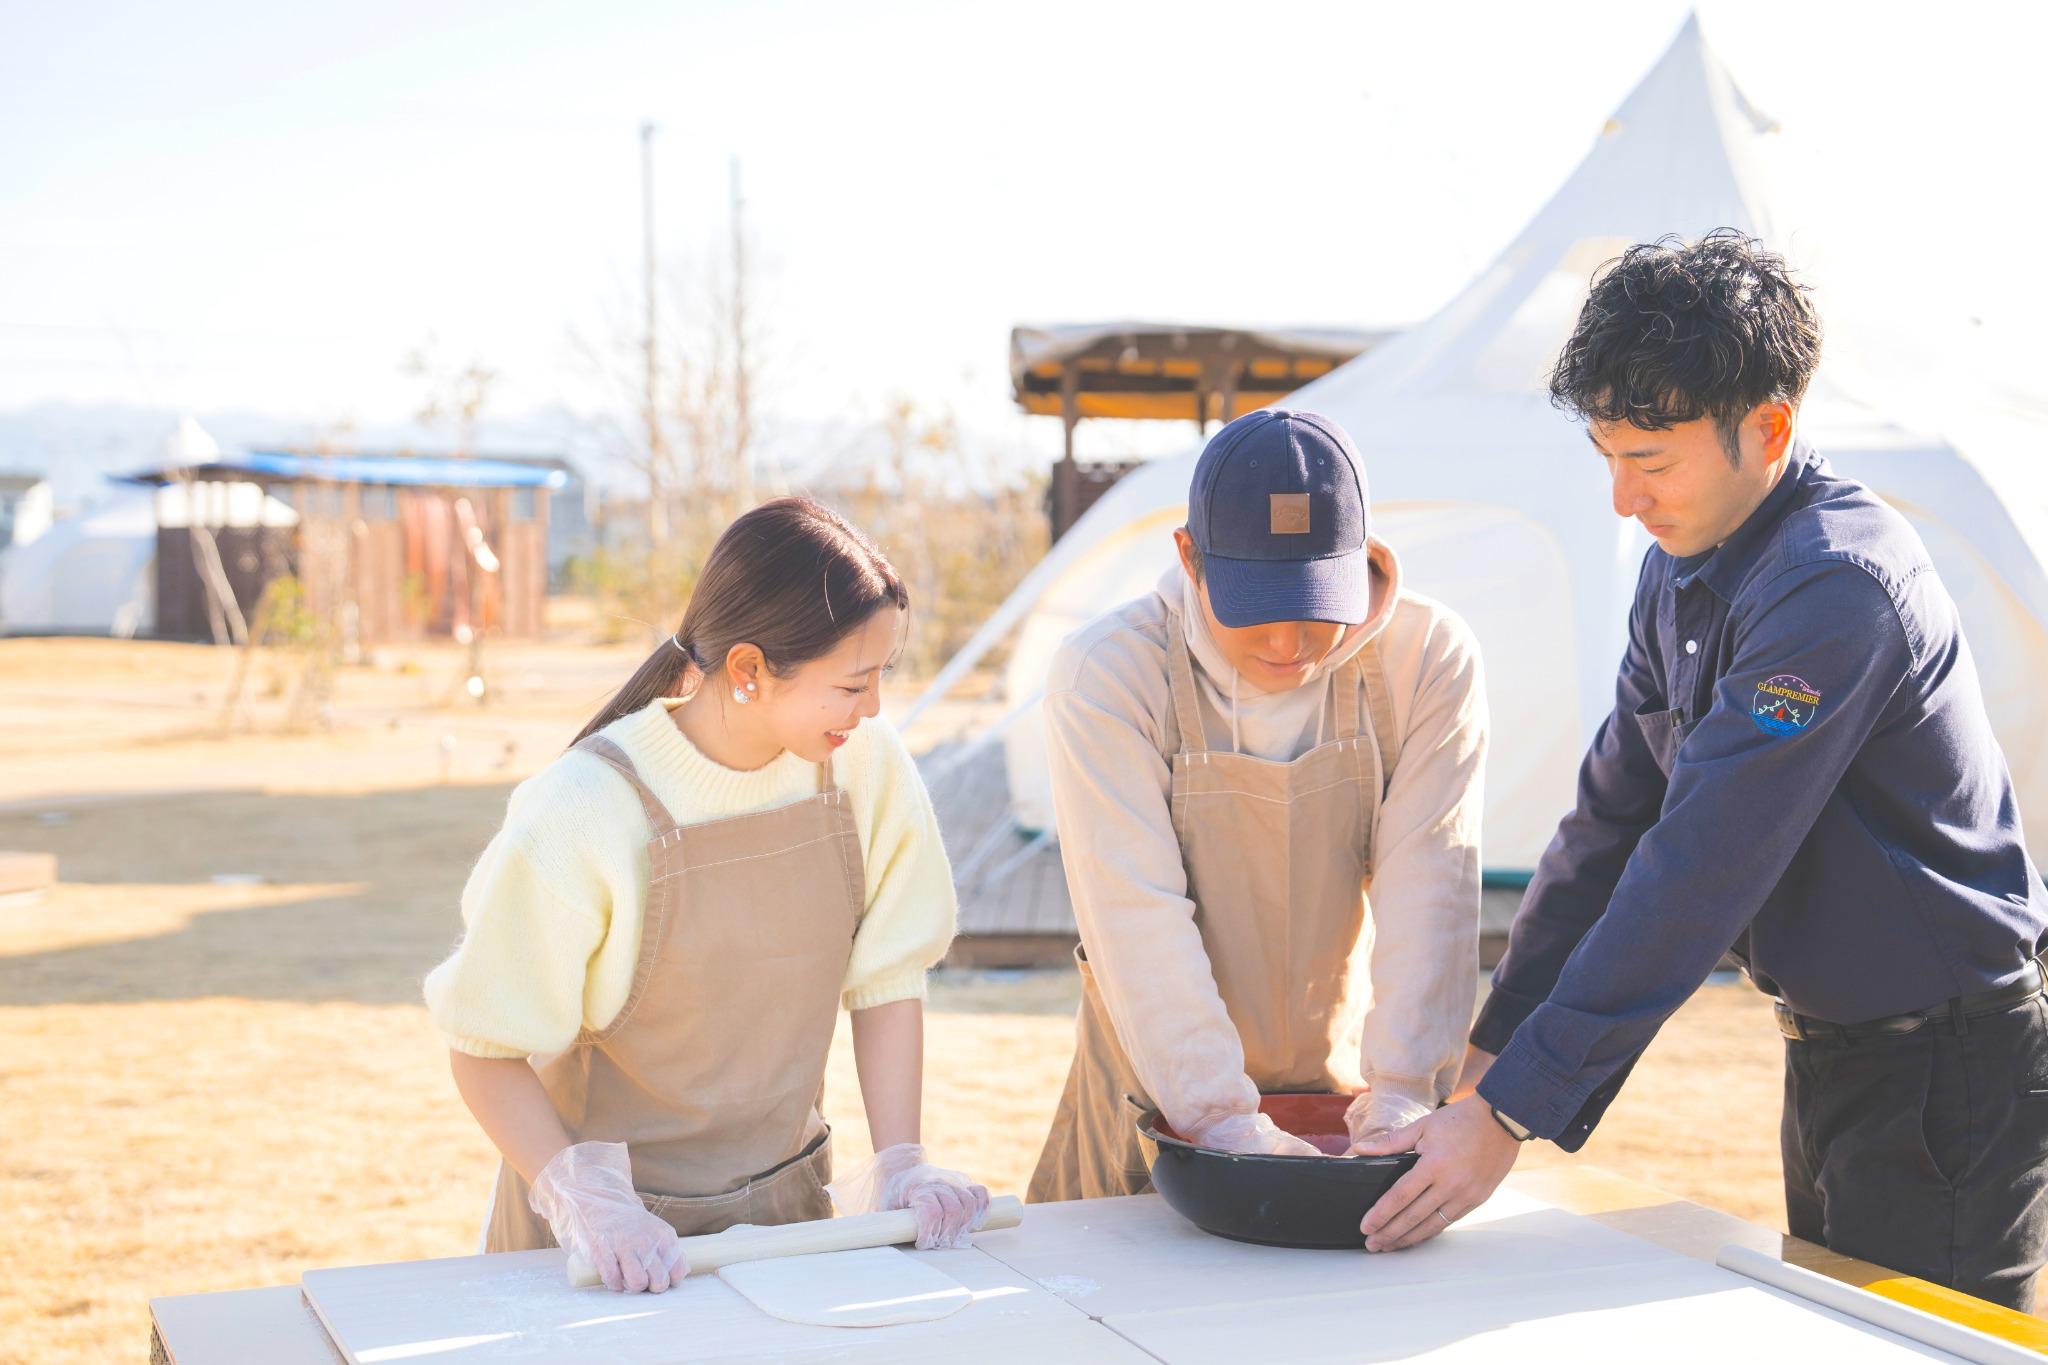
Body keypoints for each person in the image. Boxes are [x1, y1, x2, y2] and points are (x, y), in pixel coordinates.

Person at [1355, 232, 2048, 1312]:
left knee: (1921, 1343)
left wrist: (1505, 1119)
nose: (1625, 500)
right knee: (1835, 1329)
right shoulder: (1681, 572)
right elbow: (1609, 827)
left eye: (1651, 460)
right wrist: (1481, 1068)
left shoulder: (1835, 588)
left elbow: (1697, 865)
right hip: (1830, 1047)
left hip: (1945, 1071)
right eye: (1608, 458)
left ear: (1767, 428)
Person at [425, 497, 989, 1293]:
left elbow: (888, 978)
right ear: (750, 669)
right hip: (596, 1256)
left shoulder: (864, 765)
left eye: (881, 677)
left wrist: (901, 1162)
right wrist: (586, 1204)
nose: (873, 709)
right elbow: (484, 1048)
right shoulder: (583, 810)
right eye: (853, 683)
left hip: (782, 1222)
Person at [1028, 408, 1488, 1200]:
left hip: (1346, 1096)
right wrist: (1217, 1119)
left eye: (1313, 601)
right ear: (1189, 557)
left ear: (1364, 555)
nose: (1286, 643)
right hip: (1151, 1103)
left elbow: (1431, 886)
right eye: (1255, 604)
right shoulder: (1107, 673)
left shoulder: (1427, 659)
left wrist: (1405, 1088)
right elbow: (1136, 916)